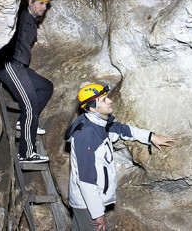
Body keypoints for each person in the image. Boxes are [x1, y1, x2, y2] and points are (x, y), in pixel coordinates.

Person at [64, 83, 175, 230]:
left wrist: (151, 137)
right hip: (86, 204)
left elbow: (123, 129)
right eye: (103, 100)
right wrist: (98, 213)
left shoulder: (99, 124)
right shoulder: (86, 134)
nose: (109, 101)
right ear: (92, 108)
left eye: (107, 97)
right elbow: (85, 179)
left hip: (88, 202)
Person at [0, 0, 54, 163]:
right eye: (40, 3)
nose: (43, 7)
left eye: (45, 5)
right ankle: (26, 153)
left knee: (46, 87)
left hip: (20, 66)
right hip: (8, 64)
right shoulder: (19, 17)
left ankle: (24, 123)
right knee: (29, 105)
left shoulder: (32, 22)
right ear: (29, 1)